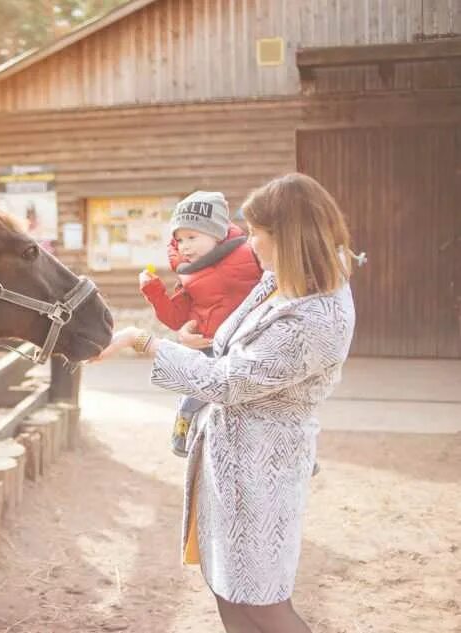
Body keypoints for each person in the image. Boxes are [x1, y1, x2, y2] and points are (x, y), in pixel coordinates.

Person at [93, 173, 358, 633]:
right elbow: (229, 343)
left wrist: (145, 342)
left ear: (287, 237)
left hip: (262, 471)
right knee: (229, 589)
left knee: (263, 603)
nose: (249, 244)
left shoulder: (315, 316)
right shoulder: (280, 281)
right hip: (229, 461)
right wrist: (186, 335)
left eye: (256, 233)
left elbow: (229, 381)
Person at [139, 191, 261, 456]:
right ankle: (183, 422)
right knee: (198, 389)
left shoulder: (251, 252)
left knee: (269, 401)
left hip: (250, 342)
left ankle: (297, 451)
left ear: (216, 233)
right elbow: (175, 318)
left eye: (192, 237)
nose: (184, 246)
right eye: (179, 239)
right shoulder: (188, 273)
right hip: (208, 344)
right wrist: (153, 291)